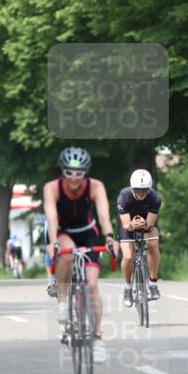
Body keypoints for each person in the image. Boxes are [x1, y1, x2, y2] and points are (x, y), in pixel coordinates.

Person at [43, 147, 118, 362]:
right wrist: (54, 242)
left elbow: (103, 214)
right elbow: (51, 216)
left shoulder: (95, 186)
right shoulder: (52, 188)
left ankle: (98, 339)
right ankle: (63, 301)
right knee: (66, 256)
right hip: (64, 232)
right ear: (62, 171)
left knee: (93, 286)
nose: (74, 178)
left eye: (79, 173)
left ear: (86, 172)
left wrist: (110, 237)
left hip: (88, 233)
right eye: (69, 173)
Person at [117, 169, 162, 307]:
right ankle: (128, 288)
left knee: (153, 245)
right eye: (138, 190)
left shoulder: (155, 197)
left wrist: (146, 224)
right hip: (128, 225)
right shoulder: (123, 197)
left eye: (145, 191)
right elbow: (126, 225)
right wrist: (132, 225)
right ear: (132, 188)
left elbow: (150, 224)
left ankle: (153, 282)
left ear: (149, 189)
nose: (141, 194)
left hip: (146, 224)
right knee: (129, 257)